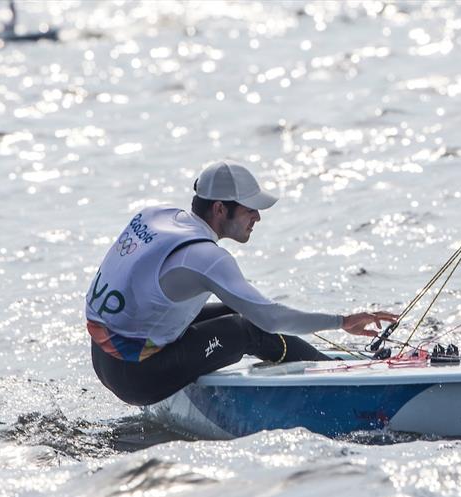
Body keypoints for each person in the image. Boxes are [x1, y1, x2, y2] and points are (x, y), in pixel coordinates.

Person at [86, 160, 397, 406]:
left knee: (234, 314)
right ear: (220, 208)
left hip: (103, 358)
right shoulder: (206, 257)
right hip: (137, 377)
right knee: (250, 329)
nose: (258, 218)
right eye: (250, 209)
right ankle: (341, 380)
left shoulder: (156, 215)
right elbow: (271, 318)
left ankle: (323, 365)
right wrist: (342, 321)